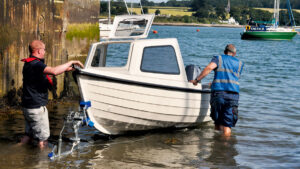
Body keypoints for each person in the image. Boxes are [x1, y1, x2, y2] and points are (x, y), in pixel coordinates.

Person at [20, 40, 84, 148]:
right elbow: (54, 71)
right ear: (39, 51)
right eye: (44, 50)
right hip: (37, 109)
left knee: (28, 136)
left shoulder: (29, 63)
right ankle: (43, 163)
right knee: (43, 140)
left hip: (27, 107)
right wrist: (71, 61)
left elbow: (47, 71)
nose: (45, 52)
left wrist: (67, 69)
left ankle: (15, 150)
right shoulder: (36, 64)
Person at [190, 44, 244, 137]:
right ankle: (225, 146)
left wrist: (197, 80)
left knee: (217, 121)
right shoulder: (240, 63)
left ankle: (216, 146)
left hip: (219, 93)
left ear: (224, 51)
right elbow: (231, 77)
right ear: (234, 53)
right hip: (233, 95)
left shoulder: (218, 58)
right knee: (227, 125)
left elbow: (209, 68)